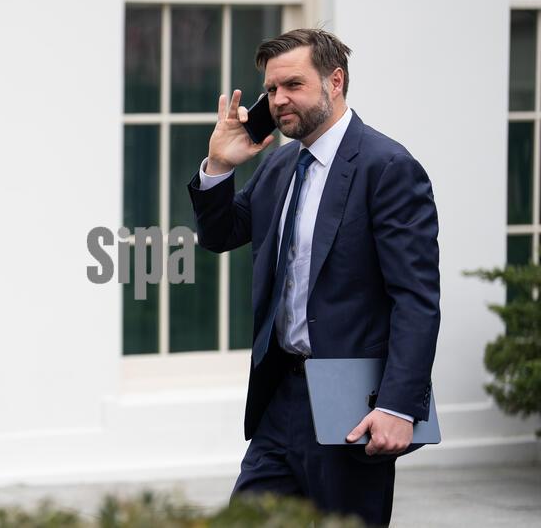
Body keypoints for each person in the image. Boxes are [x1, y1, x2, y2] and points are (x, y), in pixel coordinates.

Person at [186, 29, 440, 525]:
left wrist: (398, 406)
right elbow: (219, 234)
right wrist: (219, 165)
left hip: (351, 405)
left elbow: (416, 298)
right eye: (271, 89)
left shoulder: (387, 167)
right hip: (278, 397)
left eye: (293, 85)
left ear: (335, 81)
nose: (278, 100)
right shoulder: (280, 165)